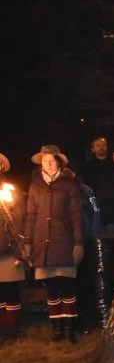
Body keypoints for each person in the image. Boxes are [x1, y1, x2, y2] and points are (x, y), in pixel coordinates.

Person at [23, 146, 84, 343]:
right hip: (42, 244)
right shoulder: (35, 186)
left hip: (64, 240)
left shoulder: (69, 184)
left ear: (58, 162)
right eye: (45, 161)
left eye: (52, 160)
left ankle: (69, 327)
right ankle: (56, 328)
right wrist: (27, 242)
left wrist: (78, 242)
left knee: (67, 286)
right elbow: (30, 216)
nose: (48, 164)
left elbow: (76, 215)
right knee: (51, 288)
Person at [0, 154, 26, 341]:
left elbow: (20, 219)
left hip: (8, 249)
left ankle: (11, 331)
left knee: (10, 290)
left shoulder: (10, 190)